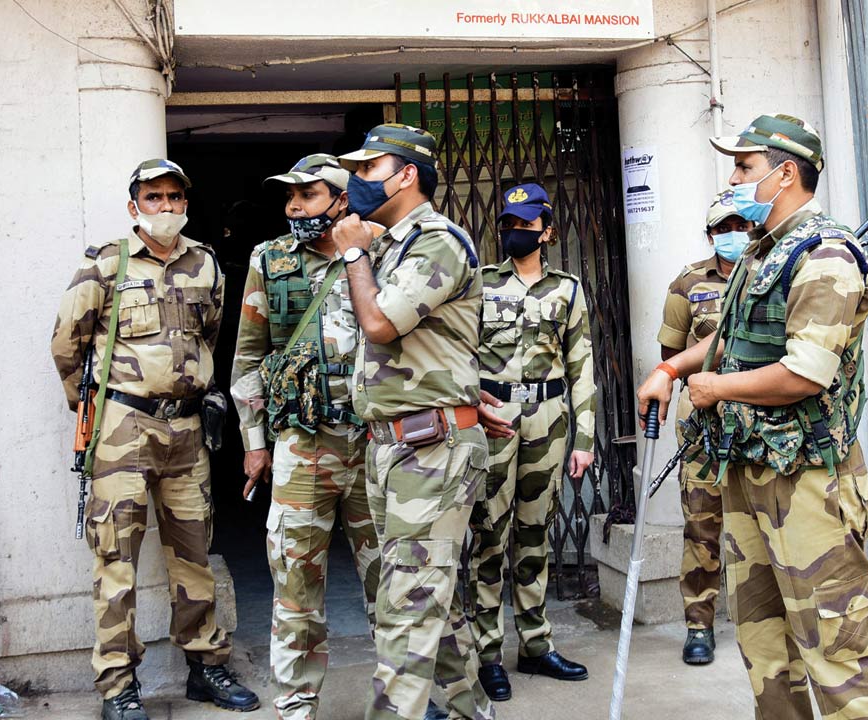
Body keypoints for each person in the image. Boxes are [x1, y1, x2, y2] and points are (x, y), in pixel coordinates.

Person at [636, 114, 868, 719]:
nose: (733, 178)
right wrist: (672, 371)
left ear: (785, 174)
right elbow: (729, 336)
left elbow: (805, 374)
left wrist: (714, 388)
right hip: (750, 468)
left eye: (744, 167)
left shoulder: (826, 254)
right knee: (763, 638)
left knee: (836, 642)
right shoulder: (762, 253)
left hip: (809, 479)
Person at [52, 159, 259, 720]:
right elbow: (67, 344)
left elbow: (211, 333)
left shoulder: (205, 264)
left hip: (188, 431)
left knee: (194, 552)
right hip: (122, 430)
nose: (165, 207)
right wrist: (94, 405)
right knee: (115, 559)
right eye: (153, 197)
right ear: (134, 206)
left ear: (185, 203)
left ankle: (205, 666)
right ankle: (119, 686)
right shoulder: (105, 264)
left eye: (174, 197)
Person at [331, 124, 493, 720]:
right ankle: (469, 711)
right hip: (394, 445)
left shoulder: (437, 242)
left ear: (405, 175)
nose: (356, 181)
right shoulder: (392, 245)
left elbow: (380, 326)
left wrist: (353, 252)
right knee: (430, 603)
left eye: (369, 169)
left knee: (407, 607)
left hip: (431, 447)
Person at [229, 153, 380, 720]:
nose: (293, 206)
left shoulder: (382, 252)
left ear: (343, 200)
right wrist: (254, 441)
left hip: (376, 442)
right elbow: (248, 355)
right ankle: (295, 705)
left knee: (391, 577)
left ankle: (407, 694)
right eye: (289, 196)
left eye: (308, 195)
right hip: (302, 443)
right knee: (295, 580)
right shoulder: (270, 261)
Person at [466, 183, 596, 702]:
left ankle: (537, 646)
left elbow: (582, 366)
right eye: (508, 224)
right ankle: (488, 653)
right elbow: (459, 355)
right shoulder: (480, 284)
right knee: (489, 535)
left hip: (548, 418)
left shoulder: (567, 289)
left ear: (546, 231)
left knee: (535, 533)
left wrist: (584, 437)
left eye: (525, 225)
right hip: (493, 417)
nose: (514, 233)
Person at [656, 188, 750, 666]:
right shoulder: (688, 282)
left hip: (760, 422)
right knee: (702, 523)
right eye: (723, 229)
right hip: (702, 428)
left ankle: (765, 620)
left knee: (762, 522)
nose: (733, 235)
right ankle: (699, 624)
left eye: (740, 226)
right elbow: (670, 357)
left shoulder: (768, 275)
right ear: (710, 234)